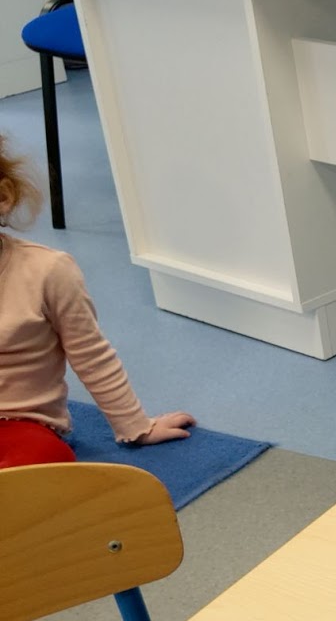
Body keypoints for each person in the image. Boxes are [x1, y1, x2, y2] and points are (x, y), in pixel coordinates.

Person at [0, 134, 194, 468]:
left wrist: (135, 425)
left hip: (20, 423)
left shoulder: (48, 271)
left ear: (3, 197)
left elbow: (91, 355)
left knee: (47, 461)